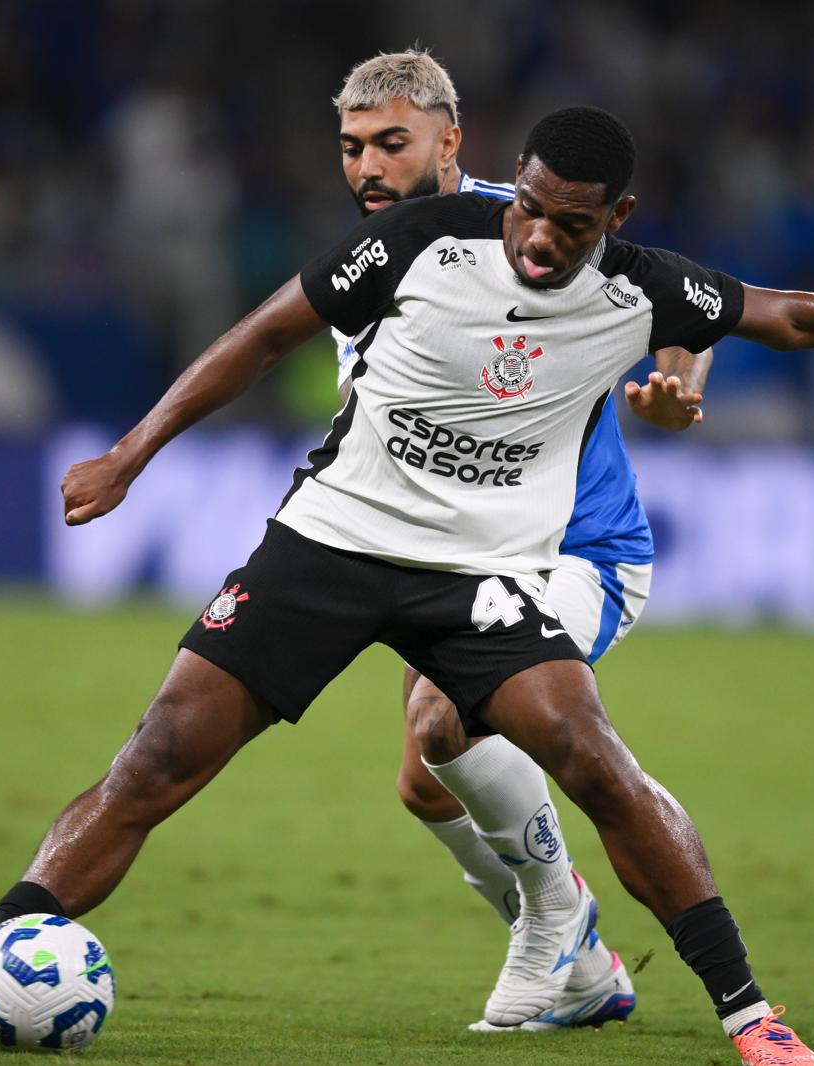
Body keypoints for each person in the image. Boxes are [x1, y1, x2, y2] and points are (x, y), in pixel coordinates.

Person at [0, 104, 814, 1066]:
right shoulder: (426, 238)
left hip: (483, 574)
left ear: (614, 222)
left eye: (570, 224)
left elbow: (789, 313)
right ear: (511, 183)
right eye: (527, 205)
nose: (538, 238)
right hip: (331, 542)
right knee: (159, 755)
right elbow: (265, 333)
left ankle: (752, 1017)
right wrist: (133, 449)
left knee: (589, 756)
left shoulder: (645, 289)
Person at [329, 48, 713, 1033]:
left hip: (578, 551)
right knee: (426, 783)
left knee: (442, 726)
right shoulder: (367, 268)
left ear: (447, 142)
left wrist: (678, 384)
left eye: (391, 145)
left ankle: (558, 926)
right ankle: (577, 956)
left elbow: (690, 300)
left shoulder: (531, 219)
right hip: (456, 555)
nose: (368, 168)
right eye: (352, 148)